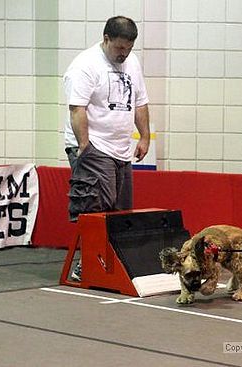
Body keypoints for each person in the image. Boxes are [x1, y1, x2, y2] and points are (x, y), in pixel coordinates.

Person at [63, 16, 150, 280]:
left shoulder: (131, 62)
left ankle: (109, 265)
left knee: (119, 211)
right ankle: (85, 266)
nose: (123, 54)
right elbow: (77, 108)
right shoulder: (85, 66)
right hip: (94, 146)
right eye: (119, 48)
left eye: (128, 48)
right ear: (106, 39)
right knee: (95, 208)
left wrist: (144, 137)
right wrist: (85, 147)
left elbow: (140, 102)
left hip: (120, 149)